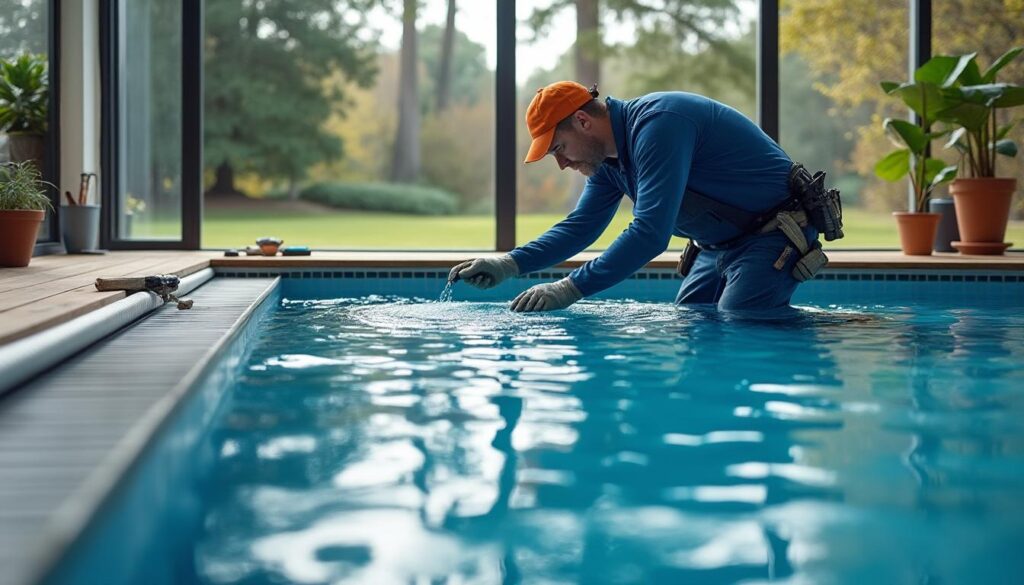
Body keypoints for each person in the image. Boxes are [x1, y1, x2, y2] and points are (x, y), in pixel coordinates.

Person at [449, 81, 842, 313]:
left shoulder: (660, 125)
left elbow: (650, 233)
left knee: (742, 322)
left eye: (559, 149)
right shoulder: (608, 162)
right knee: (693, 319)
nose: (563, 165)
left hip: (772, 235)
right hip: (716, 246)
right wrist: (510, 263)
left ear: (583, 122)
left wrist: (569, 288)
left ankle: (841, 328)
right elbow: (581, 226)